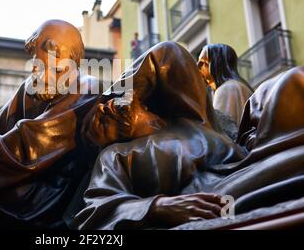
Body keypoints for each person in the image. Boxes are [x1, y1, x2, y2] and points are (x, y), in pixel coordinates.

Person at [73, 42, 304, 230]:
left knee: (293, 81)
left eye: (102, 106)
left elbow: (167, 54)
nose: (104, 110)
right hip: (211, 197)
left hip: (248, 161)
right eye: (100, 124)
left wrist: (119, 93)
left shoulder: (190, 115)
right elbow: (94, 209)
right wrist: (159, 206)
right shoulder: (114, 157)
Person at [0, 20, 101, 229]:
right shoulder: (33, 87)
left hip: (53, 197)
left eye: (49, 67)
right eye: (36, 65)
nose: (39, 73)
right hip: (17, 178)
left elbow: (38, 137)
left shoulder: (88, 87)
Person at [198, 44, 253, 124]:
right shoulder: (237, 86)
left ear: (217, 64)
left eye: (204, 63)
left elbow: (221, 129)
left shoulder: (227, 89)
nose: (198, 67)